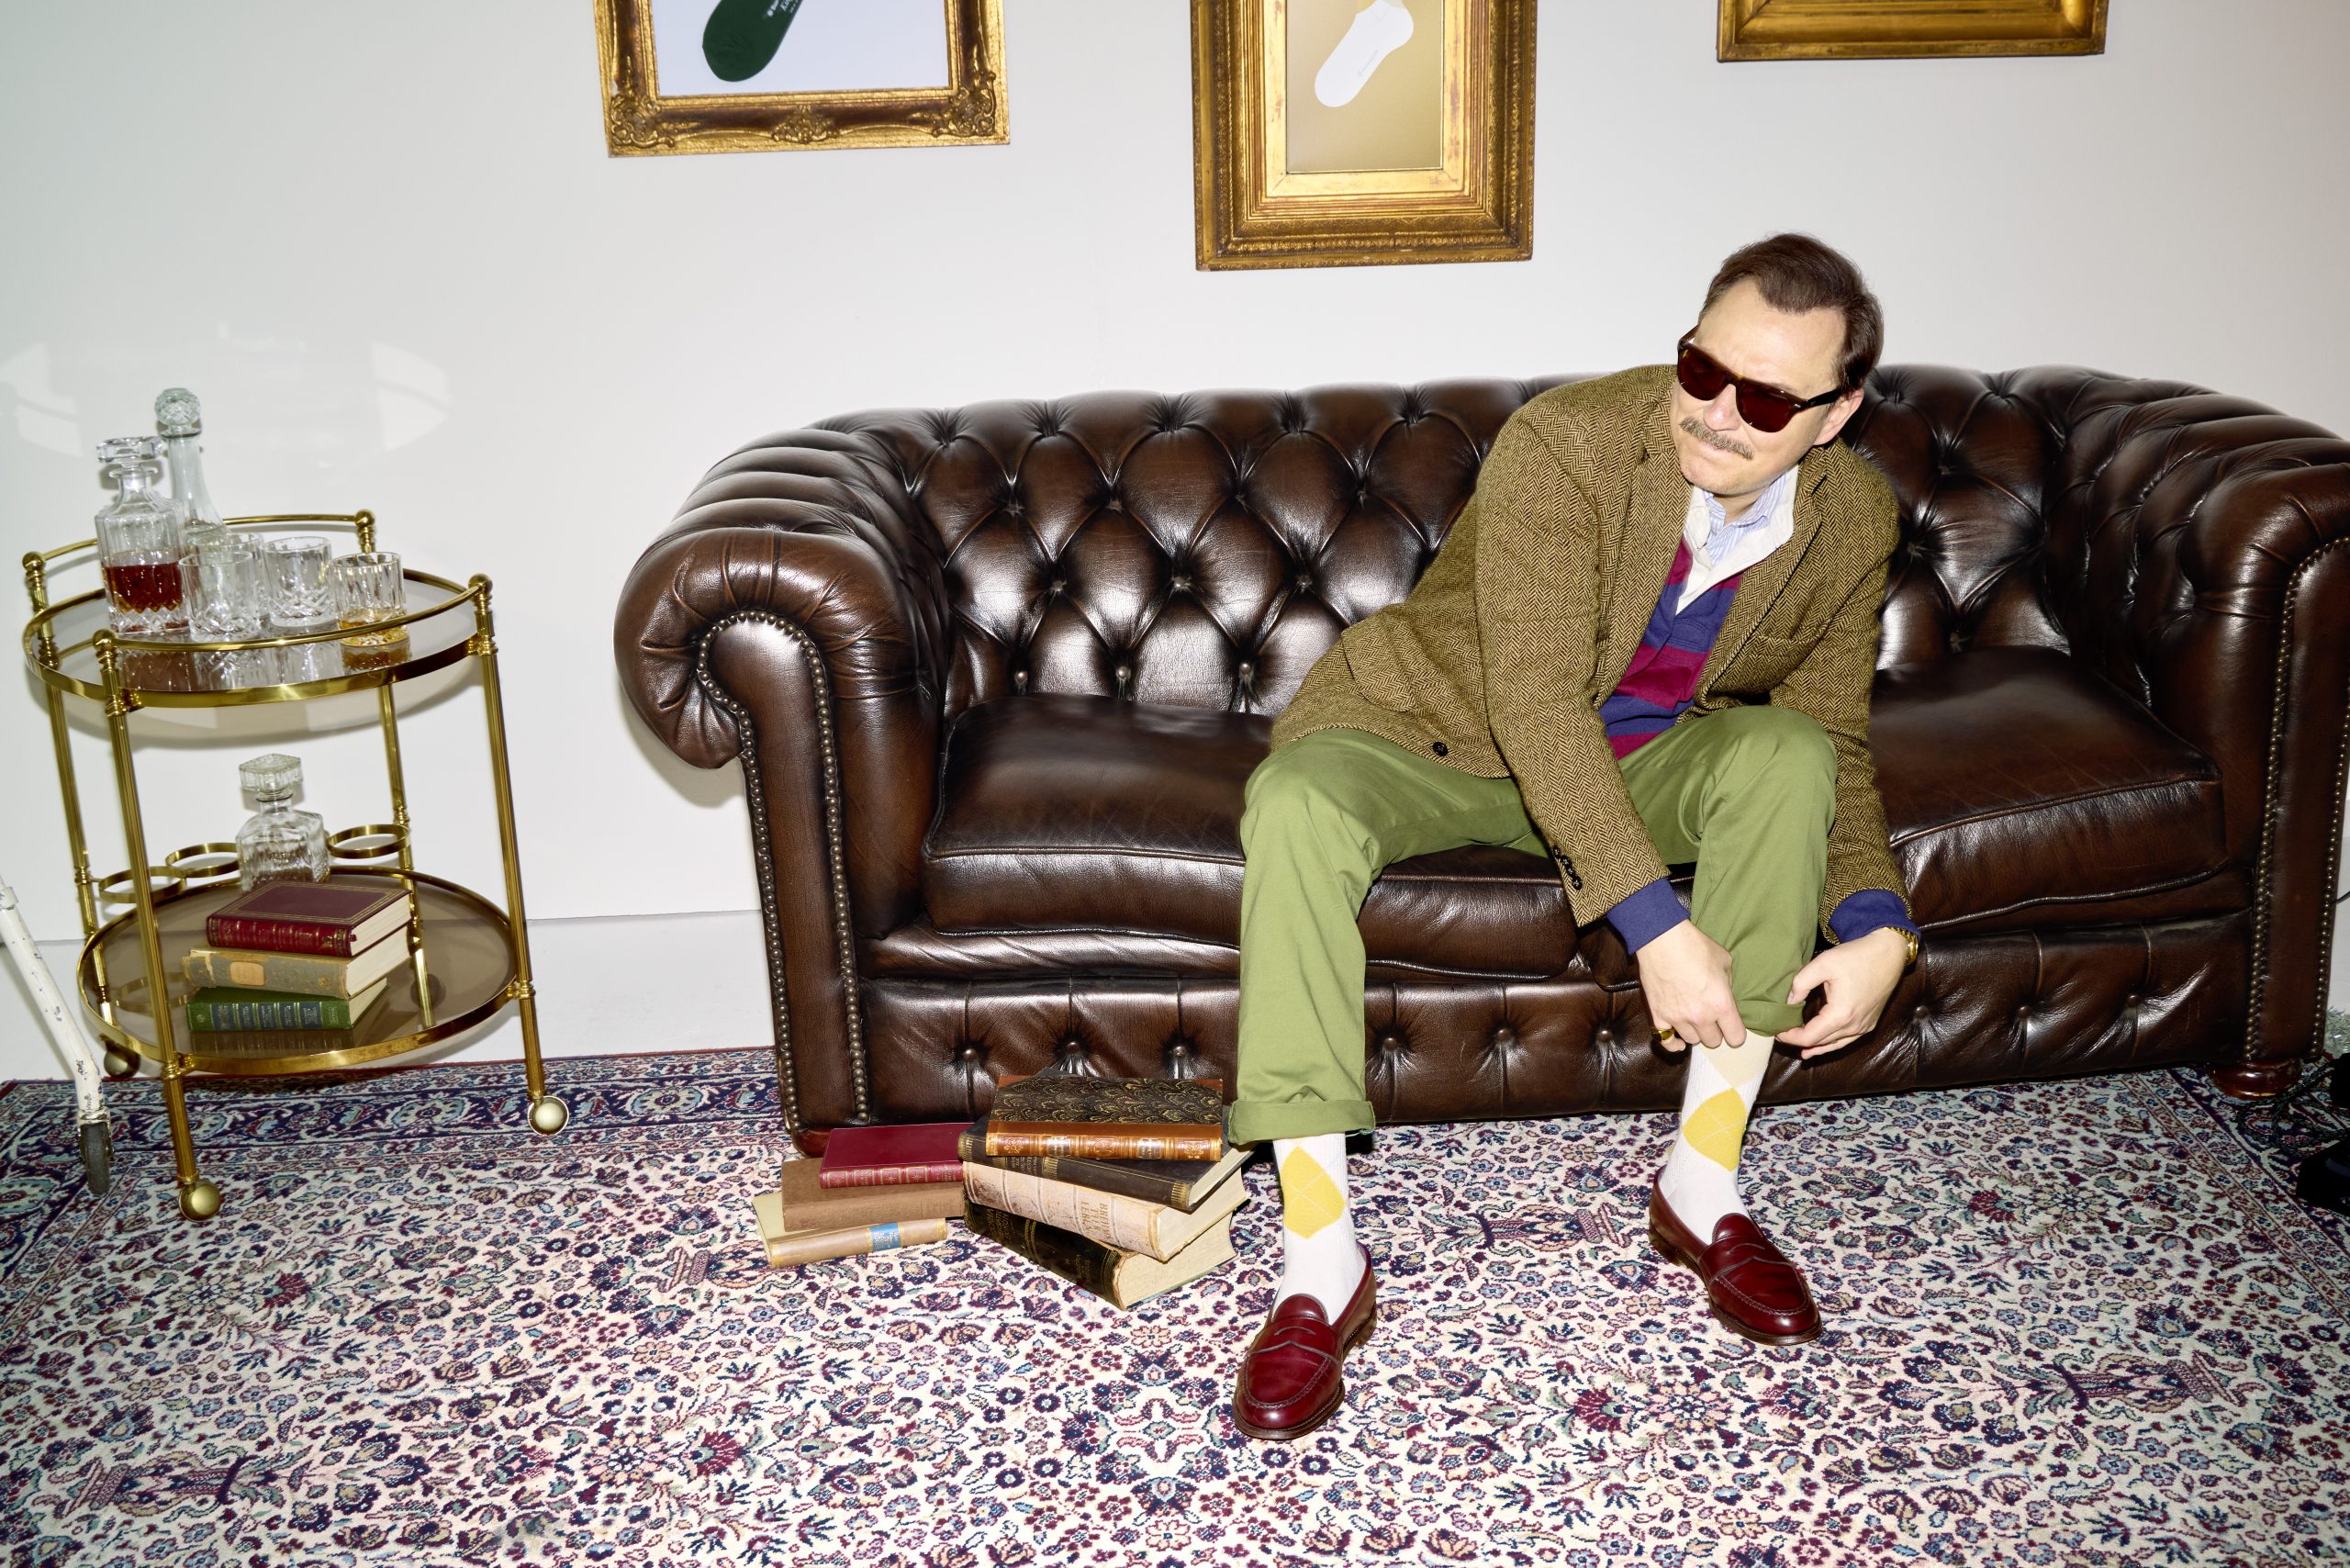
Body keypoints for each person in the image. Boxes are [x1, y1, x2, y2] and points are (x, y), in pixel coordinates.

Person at [1225, 234, 1921, 1442]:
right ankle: (1319, 1261)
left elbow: (1836, 736)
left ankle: (1701, 1185)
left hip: (1642, 762)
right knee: (1290, 805)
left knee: (1785, 756)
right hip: (1440, 733)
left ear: (1837, 414)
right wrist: (1657, 924)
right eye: (1701, 370)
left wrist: (1879, 923)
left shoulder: (1852, 516)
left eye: (1765, 399)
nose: (1716, 413)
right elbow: (1538, 706)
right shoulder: (1570, 443)